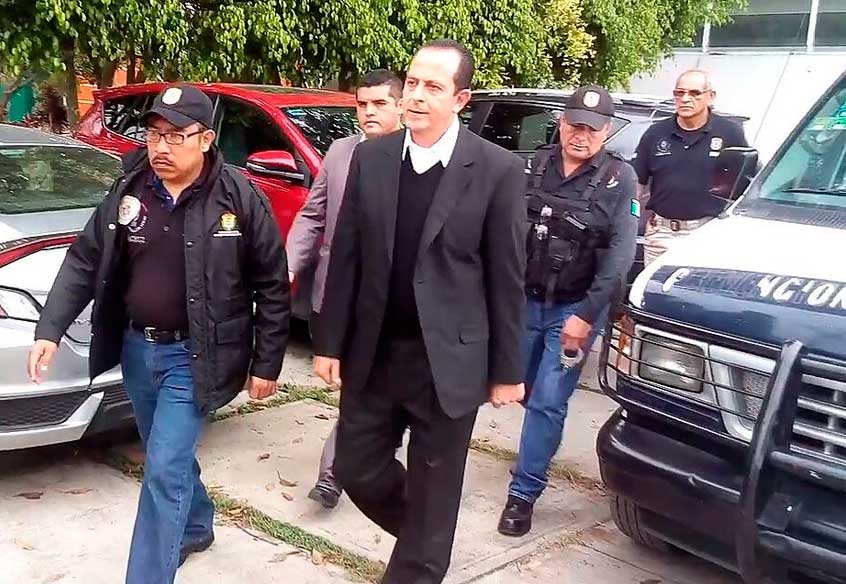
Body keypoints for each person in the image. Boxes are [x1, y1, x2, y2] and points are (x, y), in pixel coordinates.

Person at [27, 85, 290, 584]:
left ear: (206, 139)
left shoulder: (239, 198)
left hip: (195, 356)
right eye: (153, 135)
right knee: (167, 453)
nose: (160, 147)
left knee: (164, 468)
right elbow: (85, 259)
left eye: (175, 136)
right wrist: (51, 328)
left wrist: (267, 362)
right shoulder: (130, 190)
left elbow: (272, 285)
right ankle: (196, 524)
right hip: (136, 351)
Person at [311, 39, 528, 584]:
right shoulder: (372, 158)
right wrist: (329, 342)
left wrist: (508, 370)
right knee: (356, 468)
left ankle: (425, 554)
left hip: (448, 365)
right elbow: (347, 255)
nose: (417, 95)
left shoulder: (497, 169)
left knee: (435, 491)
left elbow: (506, 276)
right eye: (412, 82)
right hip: (376, 354)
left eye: (433, 86)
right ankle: (429, 540)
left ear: (461, 99)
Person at [497, 85, 638, 537]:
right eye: (575, 125)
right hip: (524, 302)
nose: (581, 135)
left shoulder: (619, 178)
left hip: (574, 307)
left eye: (592, 129)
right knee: (521, 388)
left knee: (548, 401)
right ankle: (535, 452)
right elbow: (502, 231)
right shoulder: (533, 166)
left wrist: (587, 316)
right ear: (561, 124)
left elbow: (620, 256)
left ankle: (523, 493)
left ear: (606, 131)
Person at [286, 69, 404, 509]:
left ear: (400, 107)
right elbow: (313, 214)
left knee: (367, 390)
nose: (369, 112)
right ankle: (346, 465)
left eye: (380, 104)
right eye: (362, 104)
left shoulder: (413, 159)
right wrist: (288, 267)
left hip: (389, 303)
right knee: (357, 389)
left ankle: (337, 472)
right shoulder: (340, 151)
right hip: (335, 297)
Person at [635, 69, 748, 265]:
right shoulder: (655, 133)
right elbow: (637, 183)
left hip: (707, 233)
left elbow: (746, 183)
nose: (685, 99)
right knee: (653, 285)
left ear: (710, 96)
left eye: (694, 93)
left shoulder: (730, 133)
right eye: (679, 93)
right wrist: (631, 219)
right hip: (661, 234)